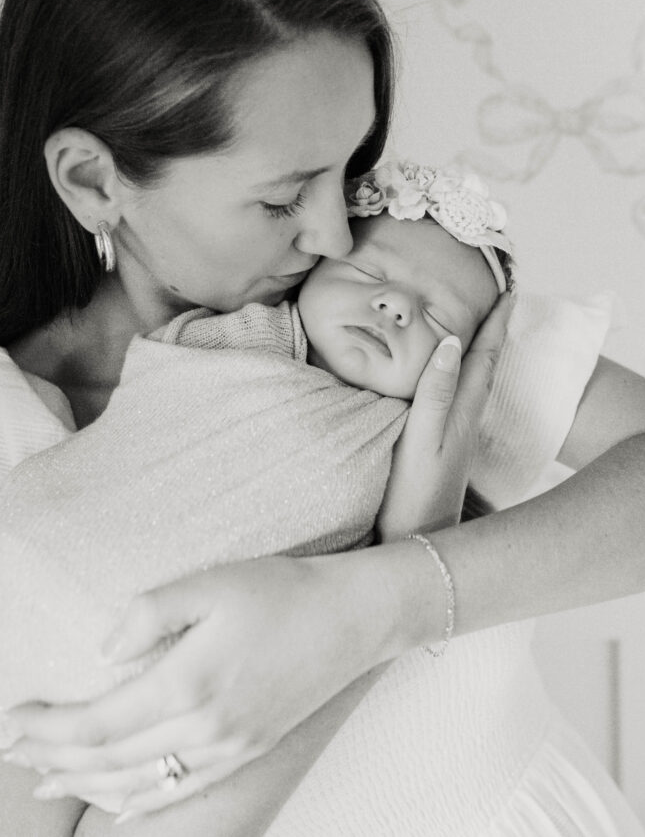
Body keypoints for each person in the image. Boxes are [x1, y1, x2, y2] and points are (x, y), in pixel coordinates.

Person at [0, 0, 645, 837]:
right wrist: (370, 583)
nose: (329, 229)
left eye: (349, 165)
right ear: (94, 181)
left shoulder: (389, 302)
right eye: (280, 196)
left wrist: (384, 598)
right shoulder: (25, 449)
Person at [0, 159, 512, 712]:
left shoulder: (419, 443)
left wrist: (414, 543)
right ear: (309, 274)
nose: (396, 306)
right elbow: (160, 388)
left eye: (439, 318)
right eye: (368, 275)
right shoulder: (246, 333)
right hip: (63, 546)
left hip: (211, 642)